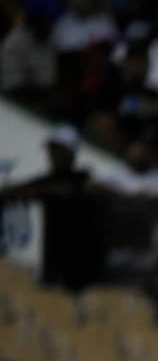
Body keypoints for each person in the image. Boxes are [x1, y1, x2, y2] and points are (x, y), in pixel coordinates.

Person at [0, 125, 110, 292]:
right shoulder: (49, 180)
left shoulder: (83, 182)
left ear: (71, 153)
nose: (53, 155)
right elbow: (24, 189)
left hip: (76, 266)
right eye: (52, 150)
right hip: (51, 263)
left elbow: (60, 190)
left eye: (59, 150)